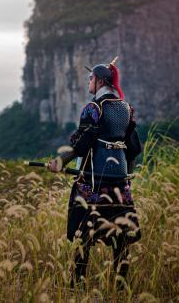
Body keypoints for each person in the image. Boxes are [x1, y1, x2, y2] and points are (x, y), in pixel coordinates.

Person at [47, 57, 143, 291]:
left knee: (83, 233)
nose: (88, 81)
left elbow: (82, 144)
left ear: (100, 81)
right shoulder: (126, 108)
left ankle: (76, 284)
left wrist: (60, 162)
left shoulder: (94, 108)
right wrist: (125, 178)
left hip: (94, 180)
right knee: (121, 236)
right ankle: (121, 286)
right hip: (120, 182)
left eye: (90, 78)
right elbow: (133, 148)